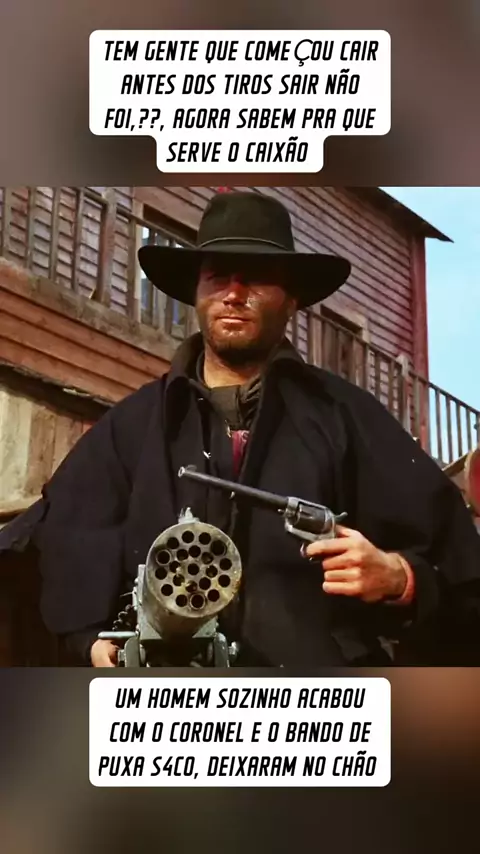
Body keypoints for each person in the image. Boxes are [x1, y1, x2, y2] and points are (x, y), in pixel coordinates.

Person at [2, 191, 480, 667]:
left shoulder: (350, 419)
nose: (233, 293)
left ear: (291, 299)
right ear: (197, 293)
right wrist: (91, 643)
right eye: (218, 276)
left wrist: (401, 580)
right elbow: (56, 550)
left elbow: (461, 571)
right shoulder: (129, 428)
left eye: (255, 277)